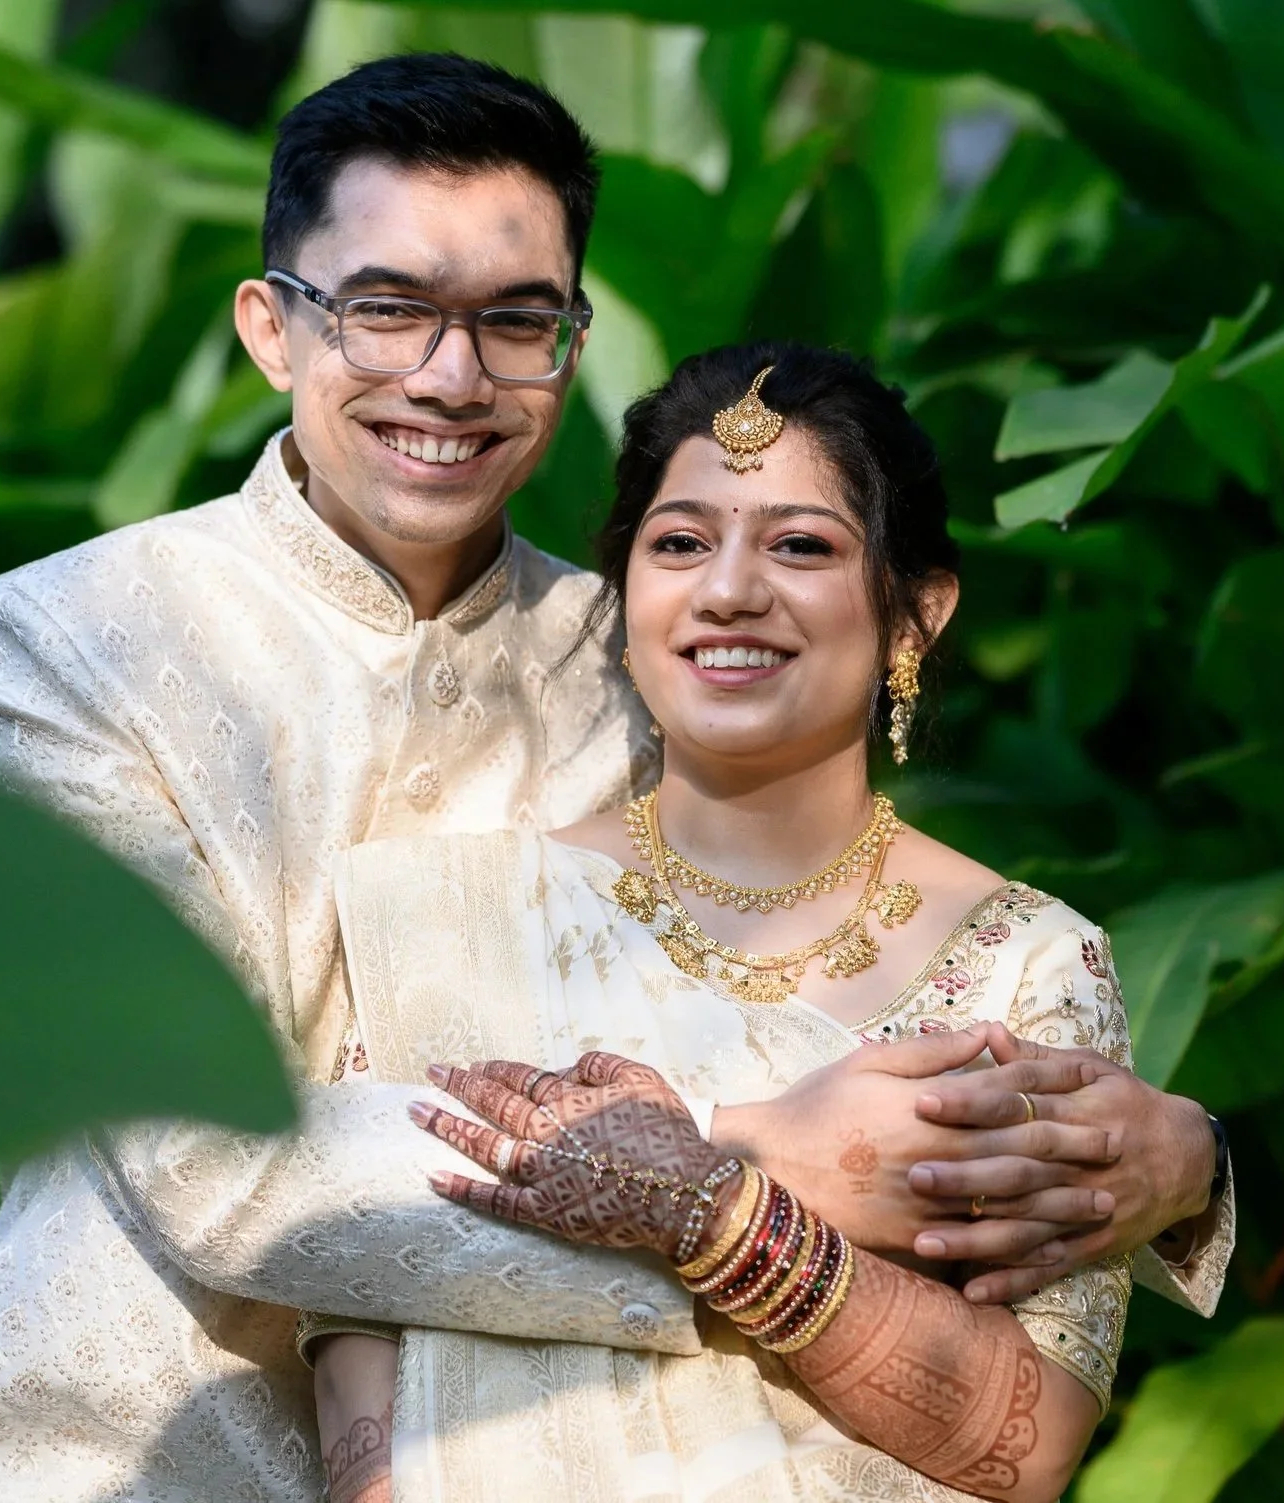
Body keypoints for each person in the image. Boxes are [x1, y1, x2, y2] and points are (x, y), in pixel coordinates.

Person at [0, 55, 1230, 1500]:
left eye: (513, 322)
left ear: (569, 349)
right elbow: (192, 1141)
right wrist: (741, 1158)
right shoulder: (80, 634)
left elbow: (833, 964)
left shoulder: (640, 646)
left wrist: (1193, 1161)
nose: (448, 378)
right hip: (119, 1457)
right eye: (386, 309)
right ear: (272, 329)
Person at [306, 343, 1179, 1502]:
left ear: (916, 616)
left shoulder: (1028, 967)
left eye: (801, 546)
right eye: (679, 543)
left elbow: (1025, 1444)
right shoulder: (451, 915)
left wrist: (724, 1218)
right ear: (626, 603)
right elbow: (356, 1303)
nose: (727, 590)